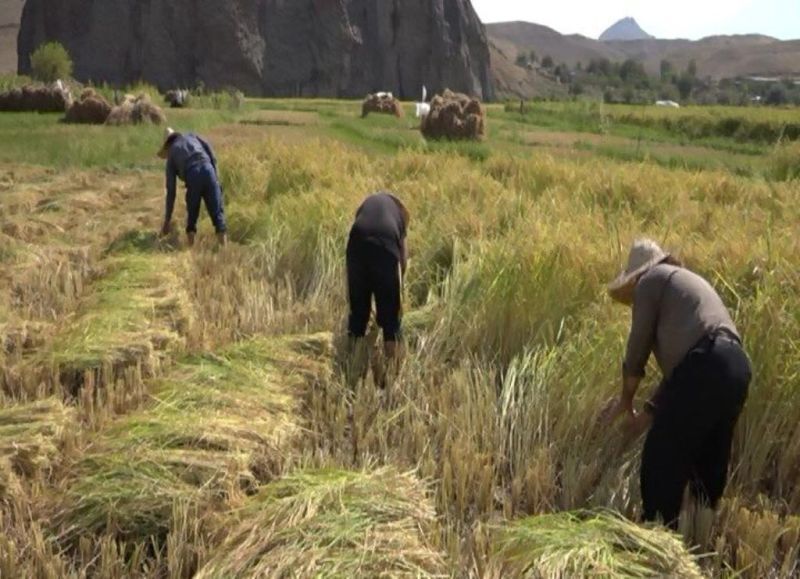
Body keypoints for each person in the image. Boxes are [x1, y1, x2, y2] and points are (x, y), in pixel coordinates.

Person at [604, 239, 751, 529]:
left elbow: (638, 346)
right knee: (708, 459)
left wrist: (625, 399)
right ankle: (699, 540)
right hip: (736, 366)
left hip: (706, 362)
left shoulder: (650, 280)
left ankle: (659, 543)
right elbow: (682, 380)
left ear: (635, 277)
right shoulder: (684, 286)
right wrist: (648, 414)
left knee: (661, 458)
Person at [346, 192, 409, 385]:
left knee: (358, 316)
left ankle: (351, 369)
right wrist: (396, 289)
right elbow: (403, 258)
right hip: (386, 248)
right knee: (390, 321)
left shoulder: (366, 207)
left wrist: (355, 295)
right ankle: (393, 378)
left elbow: (350, 266)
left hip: (356, 244)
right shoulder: (400, 217)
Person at [157, 128, 227, 246]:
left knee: (192, 215)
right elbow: (212, 154)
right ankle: (224, 249)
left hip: (193, 175)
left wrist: (167, 221)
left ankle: (190, 251)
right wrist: (216, 178)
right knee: (217, 213)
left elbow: (171, 190)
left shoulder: (172, 154)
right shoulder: (193, 136)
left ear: (167, 145)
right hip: (209, 170)